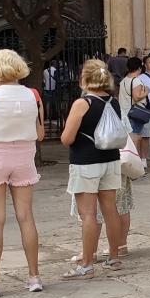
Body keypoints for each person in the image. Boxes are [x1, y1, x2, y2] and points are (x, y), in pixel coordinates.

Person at [0, 49, 43, 298]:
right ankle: (34, 276)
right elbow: (41, 133)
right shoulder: (32, 95)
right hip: (24, 155)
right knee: (26, 217)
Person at [59, 59, 125, 278]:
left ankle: (86, 264)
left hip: (86, 162)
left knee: (88, 214)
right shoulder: (112, 101)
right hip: (111, 160)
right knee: (111, 210)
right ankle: (114, 257)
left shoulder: (83, 103)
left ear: (84, 78)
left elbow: (67, 138)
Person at [118, 56, 150, 160]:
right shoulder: (136, 81)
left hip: (125, 112)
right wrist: (147, 91)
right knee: (135, 138)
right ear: (139, 67)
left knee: (129, 138)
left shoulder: (124, 80)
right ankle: (134, 161)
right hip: (134, 114)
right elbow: (137, 97)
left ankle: (130, 160)